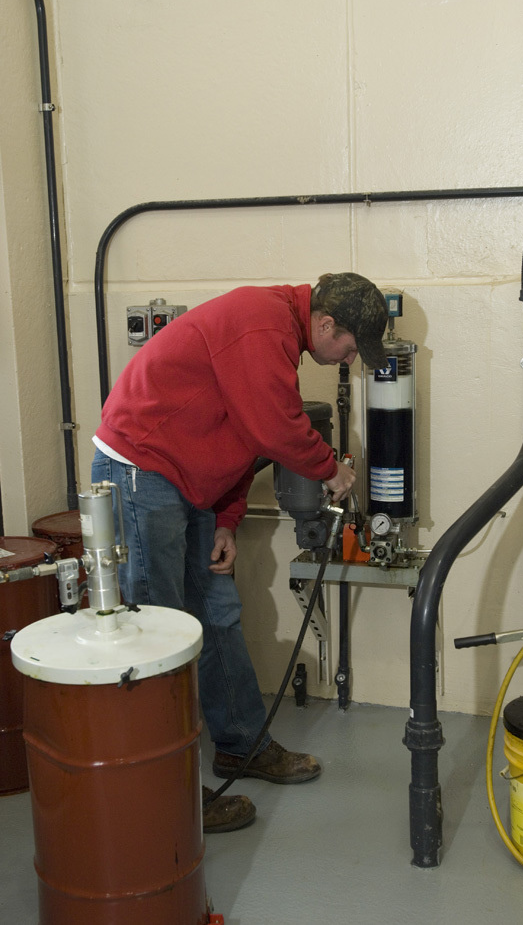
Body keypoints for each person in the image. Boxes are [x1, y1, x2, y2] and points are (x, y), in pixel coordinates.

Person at [91, 272, 388, 832]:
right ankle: (166, 795)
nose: (351, 360)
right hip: (142, 469)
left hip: (184, 481)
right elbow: (274, 427)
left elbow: (243, 437)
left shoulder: (277, 335)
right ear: (326, 324)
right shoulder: (261, 323)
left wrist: (226, 520)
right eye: (352, 348)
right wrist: (330, 469)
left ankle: (240, 745)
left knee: (218, 615)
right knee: (158, 631)